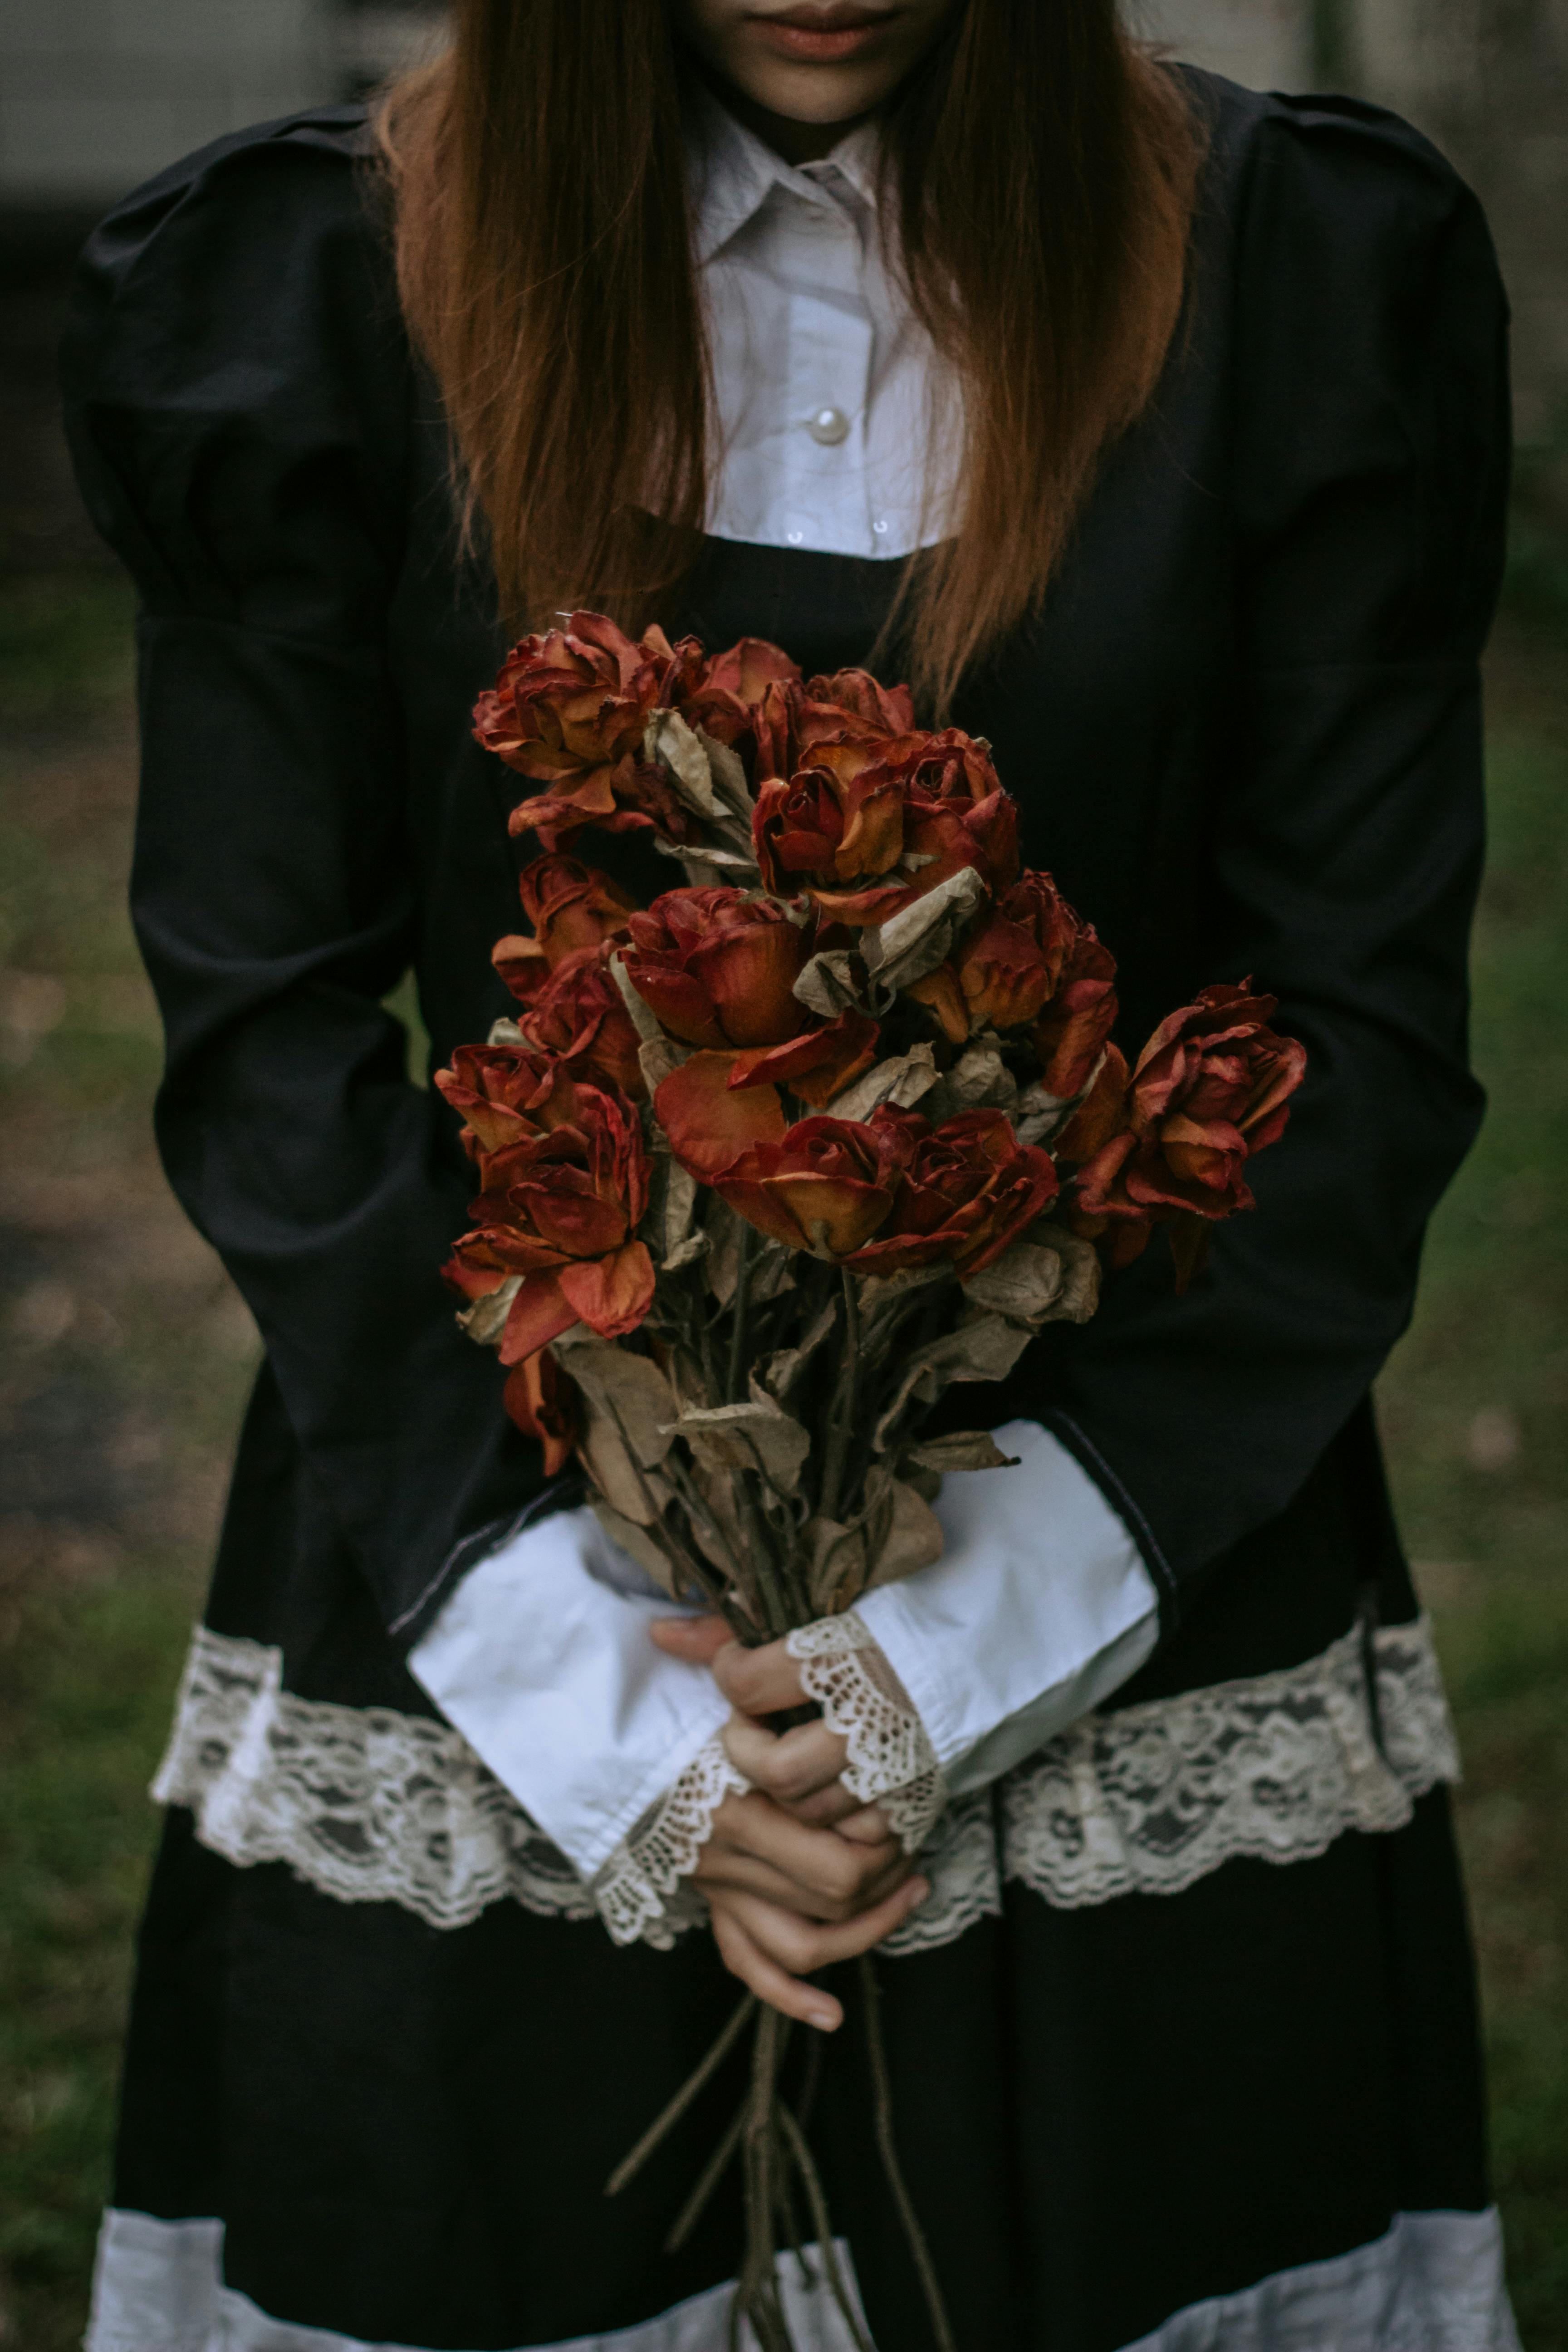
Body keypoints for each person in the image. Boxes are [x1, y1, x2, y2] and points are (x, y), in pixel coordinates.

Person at [62, 1, 1518, 2346]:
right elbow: (271, 1040)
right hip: (495, 1573)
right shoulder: (325, 289)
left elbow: (1350, 1037)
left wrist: (947, 1661)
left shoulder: (1293, 274)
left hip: (1139, 1558)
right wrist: (618, 1722)